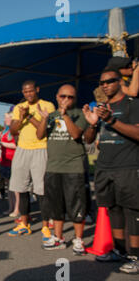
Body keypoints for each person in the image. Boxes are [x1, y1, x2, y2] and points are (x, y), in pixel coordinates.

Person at [82, 68, 139, 274]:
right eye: (102, 83)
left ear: (120, 81)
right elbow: (89, 140)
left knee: (132, 212)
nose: (105, 85)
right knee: (113, 210)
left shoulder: (133, 104)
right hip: (105, 166)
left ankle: (136, 255)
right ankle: (119, 251)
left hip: (128, 165)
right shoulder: (101, 107)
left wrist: (112, 121)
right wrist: (91, 125)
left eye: (109, 81)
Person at [36, 84, 91, 254]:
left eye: (70, 97)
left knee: (76, 205)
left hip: (74, 167)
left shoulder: (80, 114)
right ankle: (58, 238)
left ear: (75, 99)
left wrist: (65, 115)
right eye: (63, 96)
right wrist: (44, 119)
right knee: (56, 206)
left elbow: (76, 134)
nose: (66, 100)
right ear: (57, 97)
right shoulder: (51, 115)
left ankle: (79, 239)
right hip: (53, 167)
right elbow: (39, 135)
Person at [7, 80, 55, 239]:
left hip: (40, 149)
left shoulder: (48, 106)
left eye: (31, 91)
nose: (28, 94)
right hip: (22, 150)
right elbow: (13, 130)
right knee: (21, 188)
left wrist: (30, 117)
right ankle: (24, 224)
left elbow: (43, 132)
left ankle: (45, 226)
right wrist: (21, 118)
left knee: (41, 190)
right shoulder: (18, 108)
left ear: (37, 89)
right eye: (25, 92)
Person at [0, 110, 19, 217]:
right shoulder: (5, 131)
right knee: (9, 186)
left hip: (13, 160)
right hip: (4, 160)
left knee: (16, 187)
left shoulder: (15, 130)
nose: (5, 120)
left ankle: (17, 209)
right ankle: (11, 207)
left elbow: (16, 145)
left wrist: (0, 143)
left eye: (7, 117)